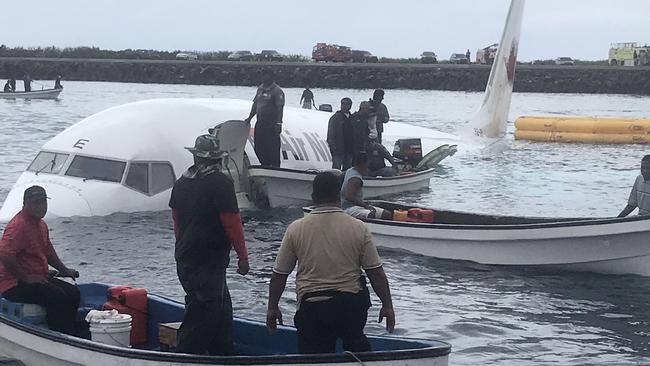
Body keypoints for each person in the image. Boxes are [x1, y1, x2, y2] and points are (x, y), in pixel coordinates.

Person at [266, 171, 395, 354]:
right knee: (359, 352)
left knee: (314, 358)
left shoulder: (296, 229)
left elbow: (279, 275)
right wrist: (387, 306)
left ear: (313, 197)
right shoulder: (358, 227)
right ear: (338, 196)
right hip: (349, 309)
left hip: (312, 308)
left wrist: (272, 307)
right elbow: (375, 273)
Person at [169, 134, 250, 355]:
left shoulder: (182, 182)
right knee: (203, 313)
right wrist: (243, 257)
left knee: (220, 310)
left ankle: (222, 354)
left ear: (196, 158)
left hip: (186, 258)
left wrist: (183, 247)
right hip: (208, 261)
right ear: (216, 160)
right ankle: (185, 357)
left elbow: (177, 221)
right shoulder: (221, 183)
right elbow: (232, 223)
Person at [0, 186, 80, 336]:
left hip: (38, 277)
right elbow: (5, 255)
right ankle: (58, 336)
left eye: (43, 202)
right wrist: (26, 277)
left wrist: (64, 270)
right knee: (57, 296)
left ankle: (71, 332)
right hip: (14, 284)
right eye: (35, 202)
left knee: (73, 292)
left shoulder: (41, 224)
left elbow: (48, 251)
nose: (41, 207)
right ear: (25, 204)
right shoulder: (18, 226)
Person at [245, 69, 285, 167]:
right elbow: (255, 104)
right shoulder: (260, 89)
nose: (263, 78)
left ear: (271, 77)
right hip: (260, 123)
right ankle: (264, 163)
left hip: (271, 124)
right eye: (262, 76)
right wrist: (249, 118)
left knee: (272, 148)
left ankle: (274, 167)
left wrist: (279, 123)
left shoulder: (277, 91)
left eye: (266, 76)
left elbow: (280, 108)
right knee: (258, 147)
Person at [341, 153, 393, 220]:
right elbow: (349, 196)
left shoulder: (350, 170)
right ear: (364, 164)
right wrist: (366, 206)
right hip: (349, 208)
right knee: (371, 214)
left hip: (355, 206)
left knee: (386, 214)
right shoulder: (355, 179)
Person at [327, 97, 354, 170]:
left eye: (346, 104)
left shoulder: (352, 118)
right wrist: (333, 148)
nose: (344, 106)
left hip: (349, 149)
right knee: (336, 170)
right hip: (338, 150)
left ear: (350, 106)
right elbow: (330, 134)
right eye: (342, 104)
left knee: (348, 170)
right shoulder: (335, 118)